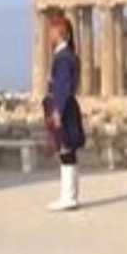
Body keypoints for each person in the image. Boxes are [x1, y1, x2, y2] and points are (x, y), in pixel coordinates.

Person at [43, 12, 85, 212]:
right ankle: (70, 196)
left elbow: (62, 86)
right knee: (68, 154)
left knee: (66, 152)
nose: (49, 35)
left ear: (60, 32)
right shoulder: (68, 56)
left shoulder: (63, 58)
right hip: (67, 106)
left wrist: (57, 111)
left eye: (51, 31)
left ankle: (68, 197)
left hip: (64, 108)